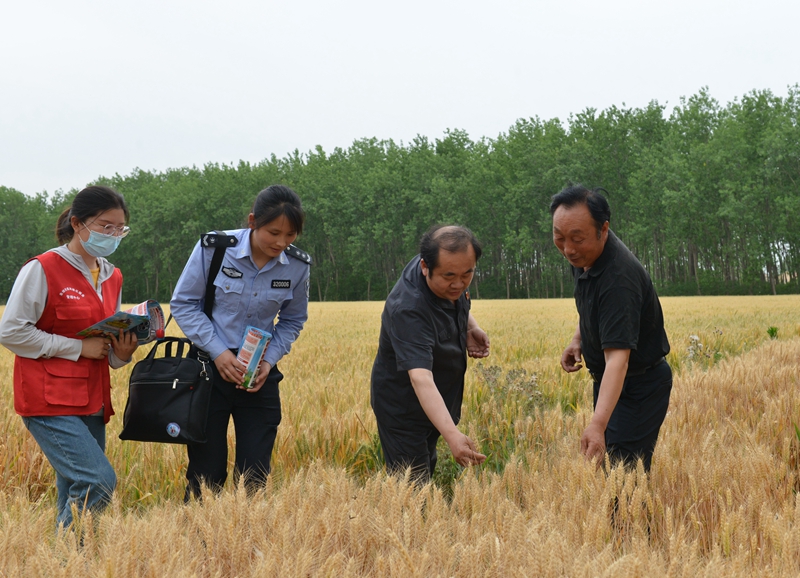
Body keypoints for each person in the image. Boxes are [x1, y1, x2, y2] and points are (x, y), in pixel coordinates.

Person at [0, 185, 138, 528]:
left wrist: (122, 354)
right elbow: (11, 331)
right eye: (105, 226)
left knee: (74, 490)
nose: (113, 235)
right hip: (48, 401)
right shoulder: (43, 268)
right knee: (97, 481)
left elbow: (104, 341)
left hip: (93, 400)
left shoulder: (112, 274)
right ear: (78, 224)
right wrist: (77, 348)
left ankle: (66, 563)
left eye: (119, 229)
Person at [171, 184, 310, 499]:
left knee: (256, 475)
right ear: (252, 221)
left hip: (258, 376)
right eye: (273, 232)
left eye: (290, 236)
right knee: (206, 474)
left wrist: (269, 360)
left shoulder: (298, 266)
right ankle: (199, 541)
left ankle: (248, 541)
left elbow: (292, 320)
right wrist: (219, 353)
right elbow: (183, 304)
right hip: (209, 371)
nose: (281, 243)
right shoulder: (215, 249)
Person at [551, 184, 672, 472]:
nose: (568, 249)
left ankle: (631, 520)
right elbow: (592, 306)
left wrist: (597, 424)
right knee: (610, 473)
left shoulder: (619, 279)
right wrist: (578, 338)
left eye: (576, 239)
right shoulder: (584, 255)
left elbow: (618, 359)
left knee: (624, 479)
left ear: (603, 229)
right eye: (559, 238)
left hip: (639, 385)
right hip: (611, 382)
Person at [370, 225, 490, 483]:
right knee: (413, 489)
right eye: (449, 276)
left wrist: (471, 326)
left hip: (437, 401)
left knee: (425, 471)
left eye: (467, 274)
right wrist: (453, 436)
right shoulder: (408, 310)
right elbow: (421, 378)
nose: (458, 283)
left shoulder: (447, 264)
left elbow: (458, 298)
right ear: (425, 267)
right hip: (403, 409)